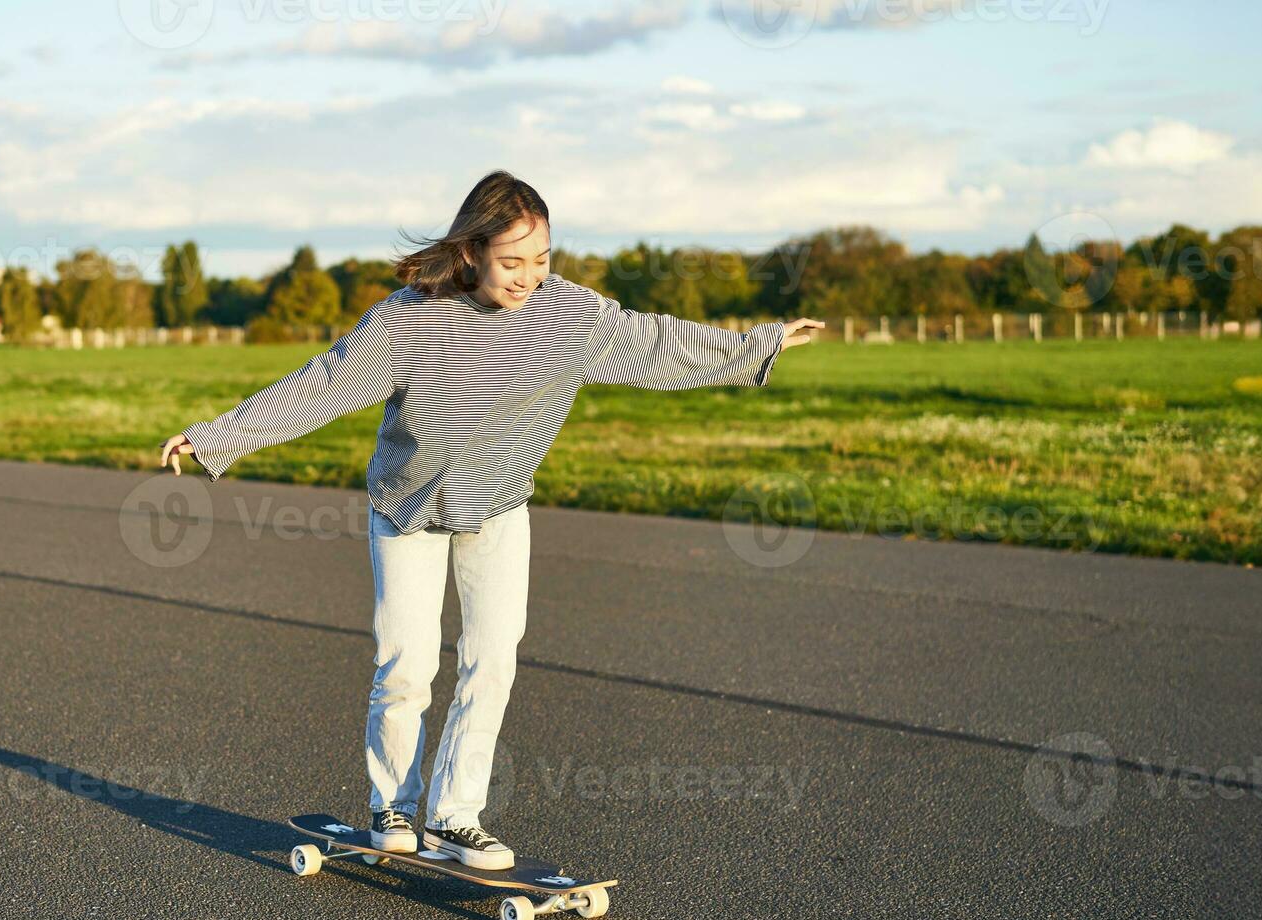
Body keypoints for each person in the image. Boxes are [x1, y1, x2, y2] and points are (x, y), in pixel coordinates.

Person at [158, 170, 825, 871]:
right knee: (408, 665)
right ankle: (392, 808)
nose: (528, 278)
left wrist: (761, 342)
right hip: (408, 510)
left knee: (491, 658)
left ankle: (454, 816)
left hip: (498, 506)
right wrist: (216, 436)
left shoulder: (570, 318)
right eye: (512, 262)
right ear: (472, 251)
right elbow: (319, 384)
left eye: (541, 261)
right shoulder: (406, 321)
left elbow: (656, 342)